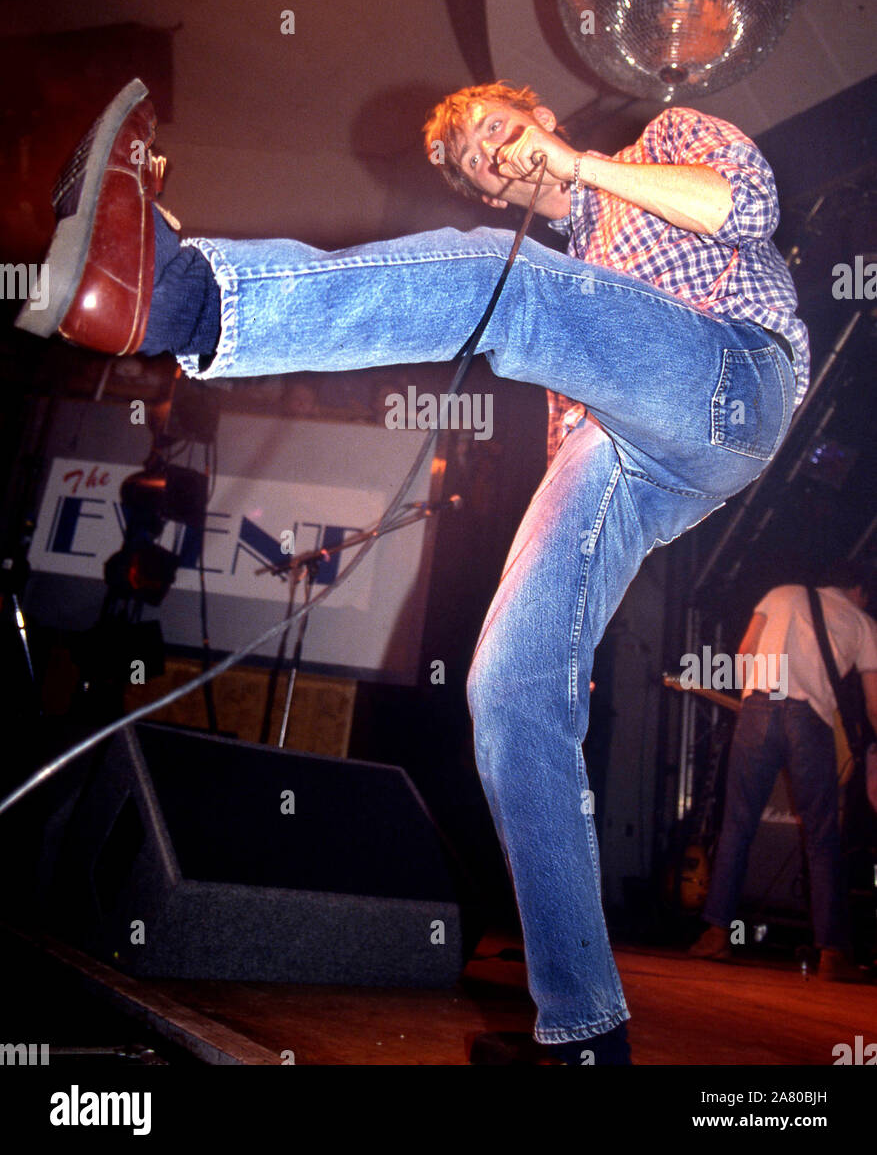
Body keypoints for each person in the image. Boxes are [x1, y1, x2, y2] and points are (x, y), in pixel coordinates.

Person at [17, 76, 809, 1063]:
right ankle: (585, 1033)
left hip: (737, 372)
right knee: (512, 690)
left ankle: (176, 293)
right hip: (637, 453)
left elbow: (748, 205)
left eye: (495, 129)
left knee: (501, 285)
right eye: (475, 162)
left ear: (542, 117)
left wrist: (573, 167)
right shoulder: (570, 272)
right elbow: (587, 448)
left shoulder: (661, 140)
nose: (490, 155)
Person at [690, 565, 877, 978]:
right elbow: (874, 705)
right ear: (861, 592)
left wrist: (755, 701)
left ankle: (717, 935)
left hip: (758, 708)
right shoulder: (864, 626)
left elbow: (744, 654)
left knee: (737, 827)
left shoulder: (781, 593)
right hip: (809, 723)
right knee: (821, 838)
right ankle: (831, 953)